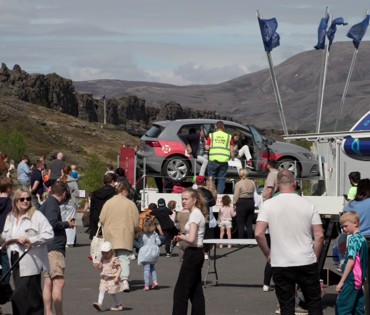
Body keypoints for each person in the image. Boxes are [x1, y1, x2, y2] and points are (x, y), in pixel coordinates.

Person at [255, 170, 324, 315]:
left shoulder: (268, 205)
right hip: (306, 259)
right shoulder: (309, 205)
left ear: (277, 184)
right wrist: (315, 258)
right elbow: (319, 236)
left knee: (286, 305)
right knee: (314, 302)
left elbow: (259, 233)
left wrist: (268, 254)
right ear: (295, 183)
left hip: (281, 261)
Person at [1, 188, 54, 315]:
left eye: (28, 199)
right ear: (16, 201)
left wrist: (30, 240)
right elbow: (4, 236)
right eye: (22, 199)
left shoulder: (37, 216)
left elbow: (49, 234)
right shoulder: (10, 217)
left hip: (31, 261)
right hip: (14, 259)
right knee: (26, 296)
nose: (26, 201)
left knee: (24, 295)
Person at [40, 181, 76, 315]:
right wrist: (67, 224)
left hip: (48, 248)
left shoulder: (48, 203)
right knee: (58, 282)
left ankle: (49, 312)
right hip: (54, 248)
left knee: (48, 281)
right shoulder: (52, 204)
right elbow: (52, 223)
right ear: (64, 193)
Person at [99, 181, 139, 292]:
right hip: (125, 234)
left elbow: (101, 218)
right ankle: (124, 280)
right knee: (124, 258)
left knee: (111, 259)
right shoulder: (130, 204)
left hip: (110, 234)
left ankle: (111, 280)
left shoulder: (108, 203)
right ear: (124, 190)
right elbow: (136, 222)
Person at [172, 188, 207, 315]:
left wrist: (181, 237)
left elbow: (192, 239)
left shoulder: (195, 214)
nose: (183, 201)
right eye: (182, 199)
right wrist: (183, 235)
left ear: (194, 200)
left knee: (180, 292)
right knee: (195, 291)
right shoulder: (195, 213)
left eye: (186, 199)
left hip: (193, 253)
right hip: (196, 253)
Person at [336, 211, 368, 315]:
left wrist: (341, 282)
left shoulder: (354, 239)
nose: (344, 229)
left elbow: (351, 261)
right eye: (342, 227)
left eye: (345, 226)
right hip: (359, 279)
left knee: (342, 307)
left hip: (351, 279)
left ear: (355, 223)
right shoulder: (362, 238)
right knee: (358, 309)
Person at [92, 241, 124, 312]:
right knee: (101, 290)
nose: (105, 254)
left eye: (106, 253)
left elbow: (120, 268)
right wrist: (98, 266)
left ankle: (119, 304)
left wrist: (116, 277)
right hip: (104, 279)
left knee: (113, 293)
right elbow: (101, 269)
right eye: (103, 253)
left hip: (112, 279)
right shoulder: (102, 259)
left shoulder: (114, 259)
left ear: (111, 251)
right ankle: (99, 304)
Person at [206, 121, 234, 194]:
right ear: (223, 127)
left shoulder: (211, 135)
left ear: (216, 127)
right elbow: (232, 149)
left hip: (213, 160)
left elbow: (207, 147)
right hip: (224, 161)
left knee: (211, 179)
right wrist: (233, 157)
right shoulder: (228, 136)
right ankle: (219, 195)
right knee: (221, 179)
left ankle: (210, 194)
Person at [134, 216, 161, 291]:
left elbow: (139, 245)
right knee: (152, 268)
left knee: (146, 269)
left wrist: (133, 241)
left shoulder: (142, 235)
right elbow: (159, 242)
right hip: (154, 252)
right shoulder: (155, 233)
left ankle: (146, 285)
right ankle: (155, 281)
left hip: (146, 253)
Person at [89, 173, 117, 240]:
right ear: (113, 181)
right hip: (110, 219)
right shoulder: (115, 193)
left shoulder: (95, 193)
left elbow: (92, 208)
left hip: (96, 218)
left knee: (98, 242)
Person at [195, 175, 216, 260]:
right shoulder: (208, 192)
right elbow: (213, 203)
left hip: (196, 214)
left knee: (196, 232)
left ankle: (197, 250)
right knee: (206, 233)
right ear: (203, 182)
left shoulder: (194, 192)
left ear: (196, 182)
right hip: (205, 214)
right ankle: (206, 252)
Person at [59, 164, 79, 247]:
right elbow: (77, 193)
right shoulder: (73, 181)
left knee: (62, 221)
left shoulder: (59, 180)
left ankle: (62, 240)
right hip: (71, 203)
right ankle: (69, 241)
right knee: (71, 221)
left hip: (61, 203)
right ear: (70, 171)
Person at [233, 168, 255, 239]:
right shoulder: (251, 183)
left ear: (240, 174)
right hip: (251, 201)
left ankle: (241, 240)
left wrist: (234, 203)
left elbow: (236, 195)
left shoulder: (238, 183)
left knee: (241, 223)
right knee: (249, 223)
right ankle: (250, 240)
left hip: (242, 202)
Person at [0, 177, 13, 291]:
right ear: (9, 189)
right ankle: (5, 283)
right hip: (5, 234)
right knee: (6, 260)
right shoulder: (10, 203)